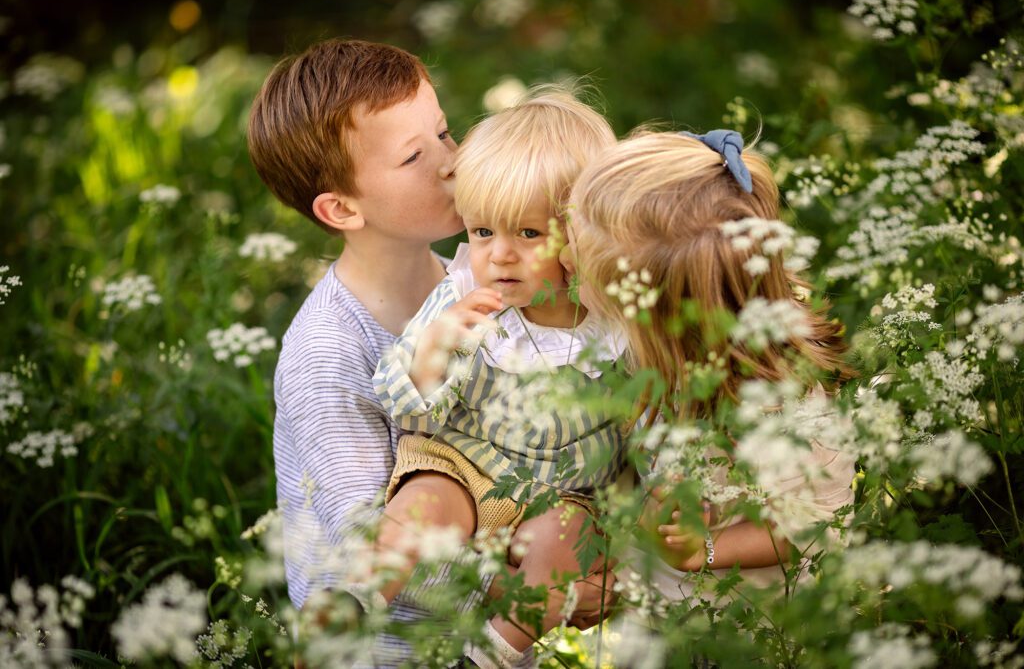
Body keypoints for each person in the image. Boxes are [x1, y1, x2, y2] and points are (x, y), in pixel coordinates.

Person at [248, 38, 540, 667]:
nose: (452, 163)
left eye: (445, 133)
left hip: (483, 635)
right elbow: (373, 549)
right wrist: (526, 545)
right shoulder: (328, 353)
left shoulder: (470, 282)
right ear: (342, 208)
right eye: (414, 156)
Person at [371, 89, 623, 668]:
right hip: (465, 465)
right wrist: (435, 350)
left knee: (564, 543)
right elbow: (402, 406)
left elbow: (646, 422)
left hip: (562, 493)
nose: (499, 256)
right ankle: (351, 603)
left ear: (584, 236)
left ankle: (495, 652)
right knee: (423, 502)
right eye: (483, 232)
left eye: (528, 235)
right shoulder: (464, 293)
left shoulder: (614, 324)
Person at [560, 129, 856, 602]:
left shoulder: (782, 412)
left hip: (736, 627)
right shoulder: (649, 347)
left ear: (658, 321)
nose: (561, 258)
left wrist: (702, 551)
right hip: (648, 596)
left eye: (579, 259)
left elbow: (814, 527)